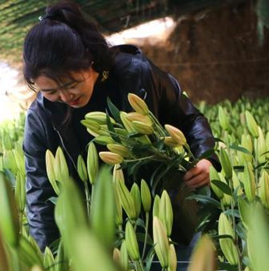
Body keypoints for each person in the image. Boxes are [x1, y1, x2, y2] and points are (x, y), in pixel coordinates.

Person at [22, 1, 218, 254]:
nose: (64, 96)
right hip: (100, 236)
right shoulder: (41, 119)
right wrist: (52, 259)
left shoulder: (136, 75)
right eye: (50, 91)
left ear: (89, 61)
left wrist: (205, 158)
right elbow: (40, 195)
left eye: (71, 83)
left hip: (167, 218)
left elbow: (189, 119)